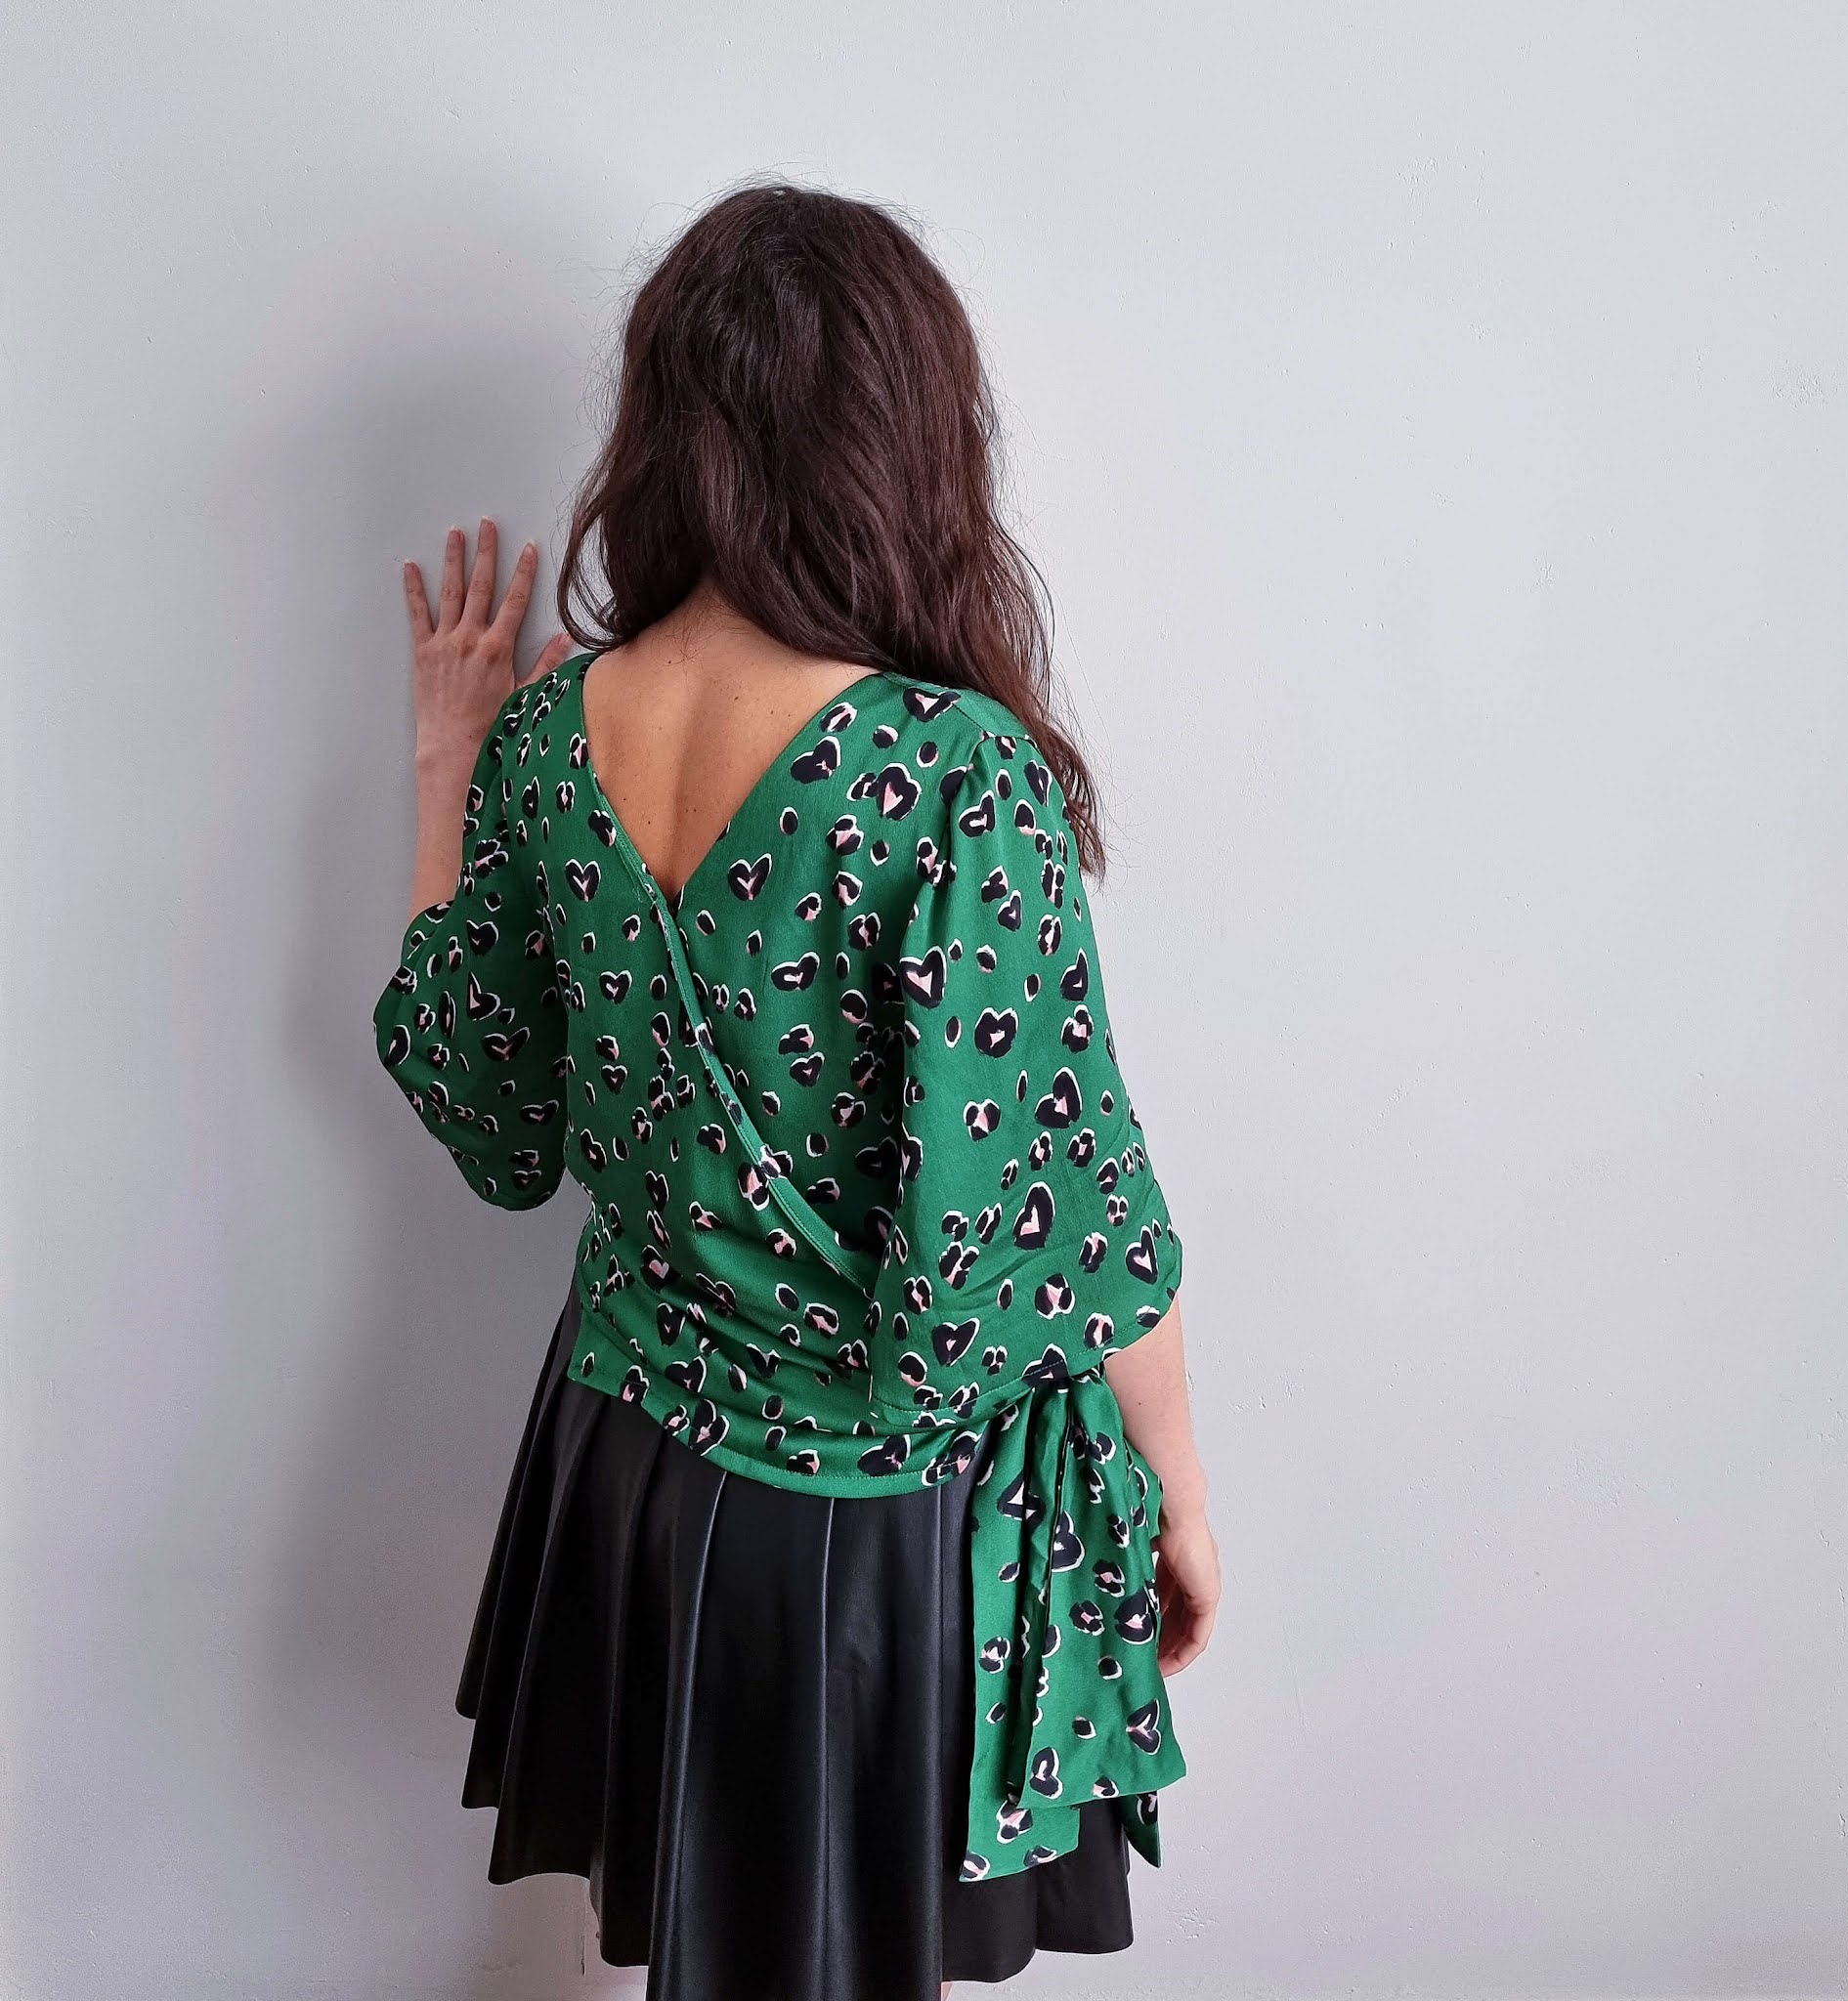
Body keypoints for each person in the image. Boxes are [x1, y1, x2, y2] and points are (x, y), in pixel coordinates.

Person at [372, 179, 1220, 2001]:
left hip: (624, 1467)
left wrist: (448, 761)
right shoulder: (951, 771)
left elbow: (492, 1120)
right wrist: (1181, 1488)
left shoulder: (550, 737)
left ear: (667, 426)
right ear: (908, 437)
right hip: (854, 1520)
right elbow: (1066, 1208)